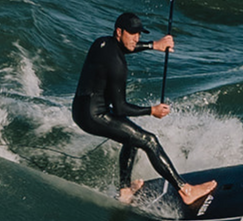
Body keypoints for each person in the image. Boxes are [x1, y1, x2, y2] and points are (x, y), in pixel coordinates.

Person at [72, 11, 217, 206]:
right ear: (119, 32)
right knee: (149, 140)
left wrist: (154, 45)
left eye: (139, 34)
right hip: (95, 115)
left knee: (131, 137)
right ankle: (185, 190)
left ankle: (124, 190)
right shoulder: (118, 65)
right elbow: (121, 108)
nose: (136, 39)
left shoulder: (102, 44)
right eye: (132, 34)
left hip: (80, 109)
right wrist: (152, 110)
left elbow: (126, 48)